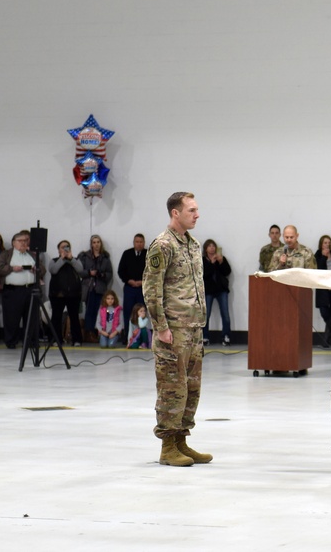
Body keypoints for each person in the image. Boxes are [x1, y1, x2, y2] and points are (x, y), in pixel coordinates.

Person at [144, 191, 212, 467]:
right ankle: (167, 446)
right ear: (176, 213)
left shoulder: (192, 244)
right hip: (173, 329)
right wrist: (161, 327)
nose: (197, 214)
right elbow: (151, 288)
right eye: (191, 210)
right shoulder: (163, 245)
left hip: (193, 327)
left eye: (196, 210)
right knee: (172, 387)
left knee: (191, 387)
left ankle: (182, 439)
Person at [0, 232, 45, 349]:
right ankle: (11, 341)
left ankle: (31, 341)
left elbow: (43, 269)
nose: (23, 243)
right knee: (12, 317)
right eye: (20, 241)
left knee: (31, 317)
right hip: (13, 291)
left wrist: (36, 270)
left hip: (30, 289)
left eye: (25, 241)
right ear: (14, 243)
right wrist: (12, 268)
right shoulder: (6, 254)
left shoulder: (31, 255)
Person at [49, 240, 85, 347]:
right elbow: (53, 270)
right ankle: (56, 339)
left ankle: (76, 340)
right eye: (62, 247)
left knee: (74, 317)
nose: (65, 249)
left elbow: (80, 269)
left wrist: (71, 259)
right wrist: (62, 259)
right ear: (59, 249)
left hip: (73, 294)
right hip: (57, 294)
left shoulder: (75, 260)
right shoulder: (54, 260)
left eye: (67, 247)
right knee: (56, 317)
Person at [78, 235, 113, 337]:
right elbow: (79, 271)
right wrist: (89, 273)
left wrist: (102, 275)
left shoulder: (105, 258)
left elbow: (110, 273)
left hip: (100, 287)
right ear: (91, 244)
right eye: (94, 242)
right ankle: (89, 332)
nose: (96, 244)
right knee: (89, 311)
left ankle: (98, 332)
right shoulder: (85, 256)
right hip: (89, 287)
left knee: (100, 311)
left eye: (98, 242)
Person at [201, 239, 232, 347]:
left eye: (213, 246)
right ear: (205, 249)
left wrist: (221, 262)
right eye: (209, 246)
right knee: (206, 315)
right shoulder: (202, 260)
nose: (212, 248)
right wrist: (212, 264)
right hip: (208, 291)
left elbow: (227, 272)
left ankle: (226, 336)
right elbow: (203, 275)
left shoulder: (221, 258)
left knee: (225, 314)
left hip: (221, 290)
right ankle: (205, 337)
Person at [117, 233, 147, 343]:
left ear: (144, 243)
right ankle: (127, 336)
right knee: (128, 312)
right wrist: (129, 280)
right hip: (129, 287)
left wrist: (143, 282)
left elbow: (153, 272)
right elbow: (121, 270)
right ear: (133, 243)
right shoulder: (127, 254)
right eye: (137, 242)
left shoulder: (148, 254)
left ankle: (141, 337)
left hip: (143, 288)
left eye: (141, 242)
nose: (139, 244)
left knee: (142, 312)